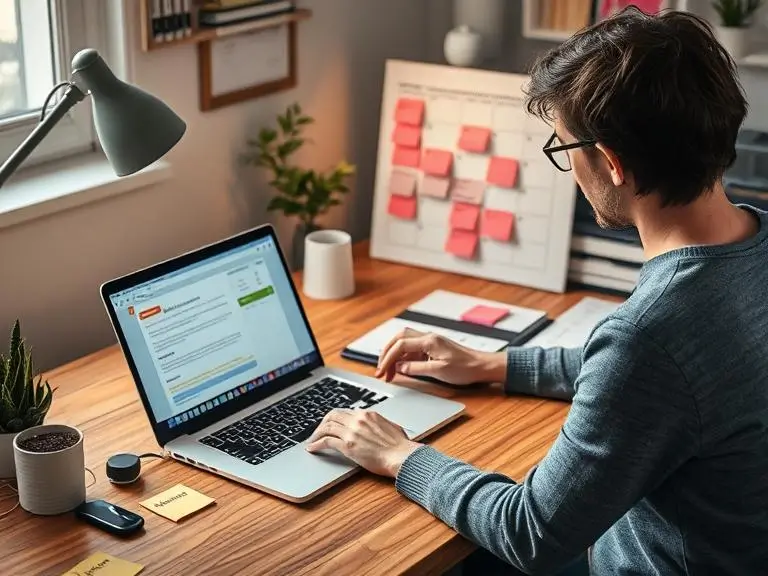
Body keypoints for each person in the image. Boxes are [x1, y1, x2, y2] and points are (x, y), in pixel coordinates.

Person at [306, 7, 768, 575]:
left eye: (566, 149)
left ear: (613, 163)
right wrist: (496, 365)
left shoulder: (650, 336)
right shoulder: (753, 243)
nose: (570, 168)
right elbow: (678, 382)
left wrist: (400, 454)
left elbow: (531, 533)